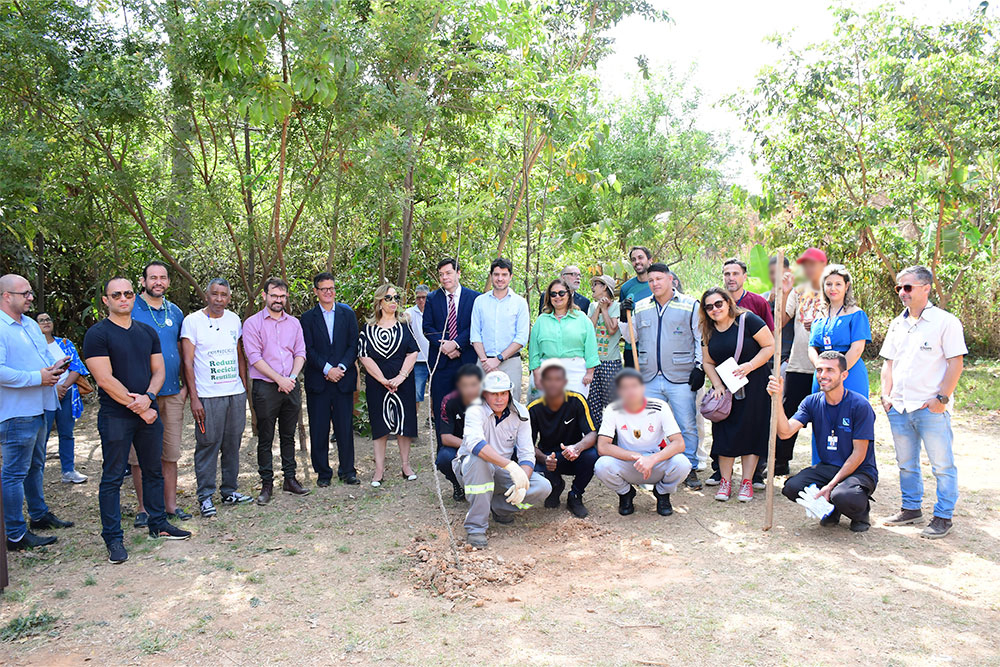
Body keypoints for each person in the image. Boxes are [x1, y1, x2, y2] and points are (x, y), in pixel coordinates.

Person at [83, 277, 191, 564]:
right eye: (116, 294)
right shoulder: (97, 334)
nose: (123, 298)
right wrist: (141, 406)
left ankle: (158, 524)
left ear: (134, 297)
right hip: (116, 416)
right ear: (105, 300)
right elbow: (104, 379)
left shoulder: (146, 332)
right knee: (113, 476)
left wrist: (149, 396)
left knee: (153, 469)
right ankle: (113, 539)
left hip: (147, 410)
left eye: (128, 293)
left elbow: (159, 370)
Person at [879, 265, 966, 539]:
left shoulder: (945, 322)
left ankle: (943, 516)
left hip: (930, 408)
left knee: (942, 465)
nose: (902, 293)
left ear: (926, 288)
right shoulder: (897, 323)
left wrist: (941, 398)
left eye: (908, 287)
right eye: (899, 288)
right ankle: (911, 508)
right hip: (900, 407)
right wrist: (885, 395)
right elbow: (888, 363)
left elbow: (956, 363)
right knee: (906, 463)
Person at [768, 352, 878, 532]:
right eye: (819, 370)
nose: (822, 375)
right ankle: (832, 509)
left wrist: (831, 485)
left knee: (843, 495)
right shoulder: (811, 402)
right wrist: (778, 399)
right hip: (828, 466)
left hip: (859, 470)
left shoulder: (860, 405)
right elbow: (785, 432)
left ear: (844, 375)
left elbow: (859, 454)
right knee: (792, 487)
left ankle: (860, 513)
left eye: (829, 370)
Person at [1, 274, 72, 551]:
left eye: (30, 292)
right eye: (25, 293)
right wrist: (36, 377)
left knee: (35, 466)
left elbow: (41, 361)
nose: (31, 297)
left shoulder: (30, 324)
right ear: (6, 296)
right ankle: (15, 534)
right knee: (14, 473)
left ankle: (39, 515)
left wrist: (55, 367)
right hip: (17, 411)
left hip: (42, 405)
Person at [622, 262, 703, 490]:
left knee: (686, 424)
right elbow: (631, 338)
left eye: (659, 279)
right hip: (648, 376)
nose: (655, 283)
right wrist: (622, 316)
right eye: (651, 280)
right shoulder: (640, 307)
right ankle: (646, 466)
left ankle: (690, 467)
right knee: (648, 423)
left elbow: (700, 337)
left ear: (670, 279)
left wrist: (699, 367)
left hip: (681, 376)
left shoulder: (690, 305)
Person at [454, 371, 552, 548]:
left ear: (510, 393)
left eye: (503, 393)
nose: (499, 399)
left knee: (543, 487)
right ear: (485, 393)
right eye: (494, 394)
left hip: (502, 470)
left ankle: (498, 507)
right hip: (471, 467)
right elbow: (475, 444)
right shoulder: (475, 410)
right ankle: (476, 528)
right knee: (479, 461)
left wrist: (523, 479)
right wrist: (511, 466)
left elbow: (527, 453)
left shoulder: (521, 413)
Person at [181, 278, 252, 518]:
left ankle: (230, 491)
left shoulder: (234, 320)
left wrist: (243, 384)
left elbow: (239, 354)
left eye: (223, 295)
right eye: (214, 294)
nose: (219, 299)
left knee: (232, 443)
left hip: (234, 393)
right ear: (206, 296)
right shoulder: (192, 322)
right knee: (208, 444)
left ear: (229, 298)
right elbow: (187, 363)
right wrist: (194, 398)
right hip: (208, 396)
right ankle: (205, 496)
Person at [129, 260, 191, 524]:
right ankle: (144, 509)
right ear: (142, 281)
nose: (158, 282)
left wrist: (186, 387)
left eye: (163, 277)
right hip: (141, 394)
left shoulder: (175, 311)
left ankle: (170, 506)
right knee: (139, 455)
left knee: (170, 452)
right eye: (152, 277)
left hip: (172, 392)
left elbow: (181, 350)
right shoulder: (130, 308)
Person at [701, 287, 775, 502]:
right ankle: (725, 481)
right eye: (708, 307)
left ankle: (747, 482)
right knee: (724, 434)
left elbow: (769, 346)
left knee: (751, 433)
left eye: (718, 304)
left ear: (727, 302)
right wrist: (716, 385)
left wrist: (749, 366)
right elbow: (707, 361)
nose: (714, 309)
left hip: (753, 384)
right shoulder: (708, 329)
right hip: (726, 390)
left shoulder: (748, 320)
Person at [243, 277, 309, 503]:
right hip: (266, 387)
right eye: (274, 296)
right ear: (264, 296)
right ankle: (266, 484)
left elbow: (300, 353)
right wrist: (279, 379)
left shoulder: (294, 323)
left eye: (282, 296)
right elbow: (254, 358)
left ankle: (290, 479)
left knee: (288, 435)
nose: (278, 300)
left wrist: (290, 378)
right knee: (266, 437)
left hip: (290, 385)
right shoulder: (252, 324)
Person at [593, 368, 692, 517]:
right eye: (624, 387)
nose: (630, 391)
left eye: (634, 386)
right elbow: (603, 446)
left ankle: (662, 493)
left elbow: (679, 443)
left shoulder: (660, 407)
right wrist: (636, 456)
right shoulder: (612, 409)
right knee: (601, 466)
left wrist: (652, 459)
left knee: (683, 464)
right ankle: (626, 493)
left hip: (655, 462)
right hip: (629, 462)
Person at [359, 284, 420, 487]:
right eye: (388, 298)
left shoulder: (405, 324)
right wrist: (382, 380)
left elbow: (413, 352)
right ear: (379, 301)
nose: (393, 302)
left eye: (396, 298)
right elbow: (363, 355)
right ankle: (378, 470)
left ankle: (405, 465)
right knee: (380, 425)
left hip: (403, 382)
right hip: (378, 384)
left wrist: (401, 377)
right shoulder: (367, 328)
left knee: (405, 423)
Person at [301, 272, 359, 487]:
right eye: (324, 289)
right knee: (319, 428)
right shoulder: (307, 318)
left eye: (332, 288)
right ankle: (323, 473)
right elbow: (307, 348)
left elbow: (353, 344)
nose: (329, 292)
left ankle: (348, 471)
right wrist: (327, 369)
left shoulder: (347, 313)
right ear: (316, 291)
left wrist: (341, 367)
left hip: (343, 380)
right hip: (319, 381)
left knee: (344, 427)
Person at [777, 247, 829, 475]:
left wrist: (820, 323)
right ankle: (781, 460)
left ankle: (826, 463)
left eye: (813, 264)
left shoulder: (833, 289)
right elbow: (779, 321)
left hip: (826, 364)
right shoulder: (799, 290)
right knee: (789, 411)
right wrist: (785, 292)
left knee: (827, 416)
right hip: (799, 362)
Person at [527, 360, 597, 518]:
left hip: (573, 455)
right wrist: (544, 458)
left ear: (565, 382)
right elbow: (527, 445)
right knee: (533, 465)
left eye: (557, 379)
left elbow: (592, 434)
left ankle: (575, 496)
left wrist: (577, 448)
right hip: (548, 458)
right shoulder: (533, 408)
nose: (553, 384)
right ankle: (556, 485)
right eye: (548, 380)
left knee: (592, 455)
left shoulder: (577, 400)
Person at [36, 312, 89, 484]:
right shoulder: (33, 346)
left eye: (48, 319)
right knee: (41, 436)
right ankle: (37, 474)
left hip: (66, 393)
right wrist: (54, 387)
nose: (46, 322)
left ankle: (68, 470)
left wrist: (63, 387)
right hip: (44, 394)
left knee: (66, 433)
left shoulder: (64, 343)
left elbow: (77, 367)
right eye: (41, 320)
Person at [808, 264, 872, 403]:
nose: (833, 288)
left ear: (846, 286)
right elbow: (812, 347)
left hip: (848, 373)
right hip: (822, 374)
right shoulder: (819, 315)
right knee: (821, 416)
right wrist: (821, 369)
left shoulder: (856, 314)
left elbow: (857, 349)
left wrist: (837, 373)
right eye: (829, 284)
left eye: (838, 284)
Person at [528, 278, 599, 398]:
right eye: (553, 294)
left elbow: (591, 347)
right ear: (549, 297)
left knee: (572, 412)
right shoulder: (541, 320)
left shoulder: (582, 318)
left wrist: (590, 372)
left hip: (576, 373)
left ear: (568, 295)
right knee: (545, 412)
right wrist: (536, 374)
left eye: (561, 293)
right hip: (546, 371)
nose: (558, 297)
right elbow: (534, 350)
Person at [471, 258, 529, 402]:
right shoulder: (480, 301)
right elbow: (475, 335)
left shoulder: (520, 303)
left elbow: (521, 337)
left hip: (510, 362)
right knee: (482, 406)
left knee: (510, 404)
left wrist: (498, 359)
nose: (500, 278)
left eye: (504, 275)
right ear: (491, 276)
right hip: (483, 362)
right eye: (496, 274)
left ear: (510, 277)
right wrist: (486, 362)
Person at [438, 364, 484, 501]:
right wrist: (471, 445)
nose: (469, 390)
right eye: (465, 385)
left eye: (474, 384)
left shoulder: (489, 399)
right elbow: (446, 438)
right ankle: (458, 484)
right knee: (444, 458)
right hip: (460, 446)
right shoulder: (449, 401)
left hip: (486, 445)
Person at [586, 275, 622, 429]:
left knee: (612, 402)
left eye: (596, 284)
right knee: (593, 402)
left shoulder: (616, 306)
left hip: (610, 361)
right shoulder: (592, 306)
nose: (592, 287)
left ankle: (614, 436)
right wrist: (599, 309)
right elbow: (588, 328)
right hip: (593, 362)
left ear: (605, 287)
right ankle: (596, 435)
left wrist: (605, 310)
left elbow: (612, 330)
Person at [619, 247, 654, 369]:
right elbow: (623, 320)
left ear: (650, 260)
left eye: (640, 257)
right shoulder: (626, 288)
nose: (637, 262)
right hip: (632, 348)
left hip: (654, 348)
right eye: (633, 259)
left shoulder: (659, 284)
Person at [722, 258, 774, 330]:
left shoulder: (759, 302)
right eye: (727, 274)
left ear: (744, 277)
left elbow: (771, 333)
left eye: (735, 274)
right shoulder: (717, 304)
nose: (731, 278)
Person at [404, 284, 431, 417]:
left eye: (424, 297)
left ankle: (432, 417)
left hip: (434, 358)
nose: (421, 300)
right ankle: (412, 422)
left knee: (436, 391)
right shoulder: (411, 312)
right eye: (418, 298)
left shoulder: (434, 311)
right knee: (415, 393)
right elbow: (404, 317)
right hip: (418, 360)